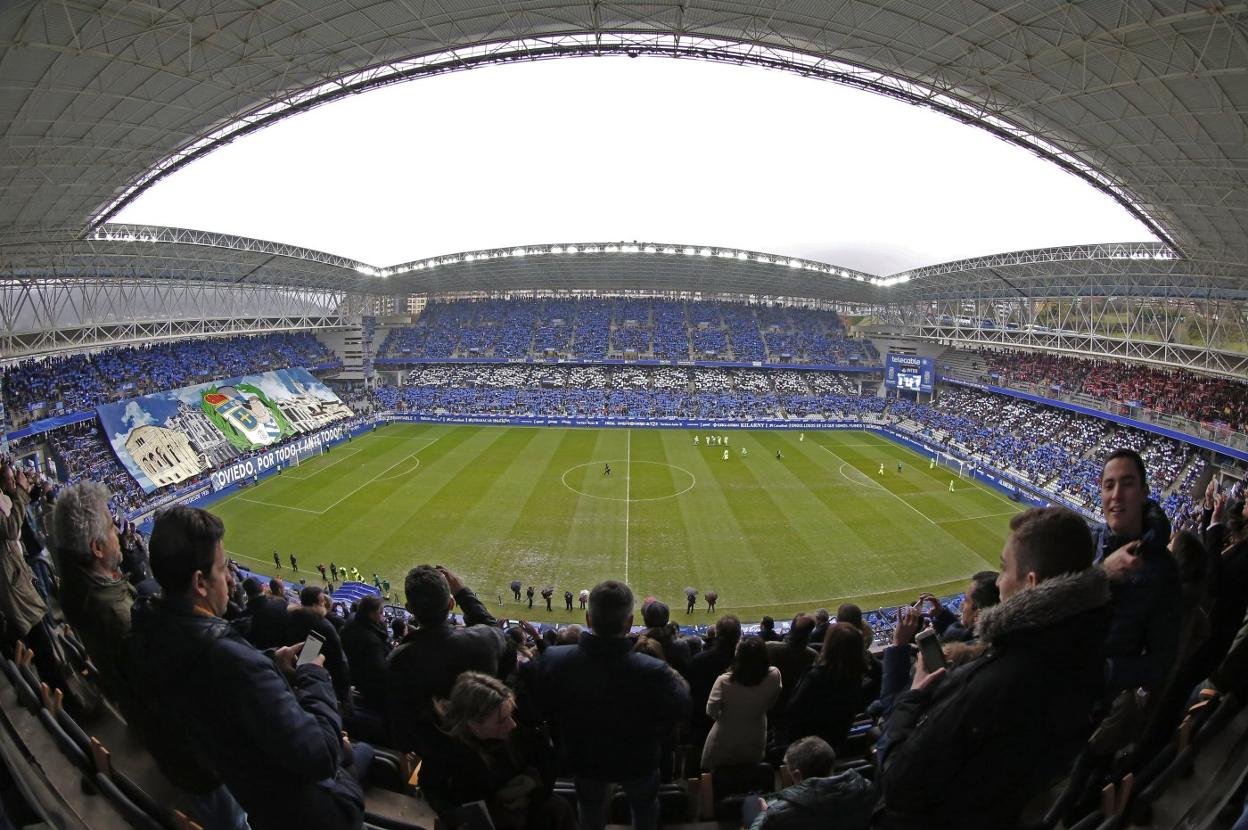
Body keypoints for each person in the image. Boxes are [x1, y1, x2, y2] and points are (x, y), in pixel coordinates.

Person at [129, 505, 366, 830]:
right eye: (222, 567)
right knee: (363, 754)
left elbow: (217, 690)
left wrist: (269, 661)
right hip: (304, 811)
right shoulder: (226, 658)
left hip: (253, 797)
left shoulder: (152, 631)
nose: (229, 577)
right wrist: (313, 674)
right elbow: (320, 754)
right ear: (200, 582)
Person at [877, 507, 1112, 829]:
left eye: (1003, 569)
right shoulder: (1088, 654)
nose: (998, 582)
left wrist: (915, 694)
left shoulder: (998, 681)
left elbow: (898, 783)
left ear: (1031, 583)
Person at [531, 581, 690, 830]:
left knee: (591, 808)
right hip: (638, 759)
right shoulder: (652, 670)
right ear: (629, 622)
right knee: (644, 809)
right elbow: (682, 708)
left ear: (588, 618)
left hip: (584, 758)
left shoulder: (555, 660)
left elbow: (539, 706)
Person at [420, 672, 576, 830]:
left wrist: (533, 787)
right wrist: (460, 819)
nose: (512, 725)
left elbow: (547, 763)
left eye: (510, 715)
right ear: (474, 725)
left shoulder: (520, 726)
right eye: (501, 721)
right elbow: (433, 790)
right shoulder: (443, 748)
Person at [387, 565, 510, 756]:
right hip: (489, 751)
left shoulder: (399, 659)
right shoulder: (484, 640)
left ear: (410, 609)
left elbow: (401, 729)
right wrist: (462, 592)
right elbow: (494, 630)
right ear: (451, 604)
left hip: (438, 761)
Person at [1093, 448, 1181, 693]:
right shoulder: (1090, 539)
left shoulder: (1164, 571)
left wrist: (1105, 672)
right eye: (1108, 485)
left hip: (1098, 704)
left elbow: (1161, 662)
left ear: (1144, 493)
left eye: (1127, 484)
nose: (1116, 495)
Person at [50, 482, 137, 709]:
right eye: (110, 527)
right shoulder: (118, 617)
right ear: (97, 548)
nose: (117, 531)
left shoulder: (76, 587)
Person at [742, 736, 874, 830]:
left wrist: (765, 812)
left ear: (797, 775)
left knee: (751, 802)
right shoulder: (865, 787)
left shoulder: (777, 813)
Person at [701, 636, 781, 770]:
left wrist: (727, 716)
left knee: (715, 775)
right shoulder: (774, 674)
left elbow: (711, 711)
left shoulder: (724, 681)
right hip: (757, 731)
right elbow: (772, 702)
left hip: (725, 735)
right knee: (750, 773)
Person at [786, 623, 868, 753]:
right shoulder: (857, 677)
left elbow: (792, 711)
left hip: (807, 746)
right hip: (836, 742)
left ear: (829, 645)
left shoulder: (815, 677)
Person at [287, 585, 351, 706]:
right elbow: (338, 661)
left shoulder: (292, 618)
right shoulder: (320, 625)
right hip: (322, 682)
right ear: (319, 602)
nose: (324, 601)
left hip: (302, 676)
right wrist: (344, 691)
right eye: (322, 599)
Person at [341, 594, 391, 716]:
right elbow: (379, 673)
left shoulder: (352, 621)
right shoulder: (371, 642)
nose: (382, 615)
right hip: (368, 690)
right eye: (380, 612)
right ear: (372, 613)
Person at [930, 573, 999, 643]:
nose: (961, 605)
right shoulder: (997, 640)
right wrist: (941, 615)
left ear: (978, 615)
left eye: (966, 601)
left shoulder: (962, 651)